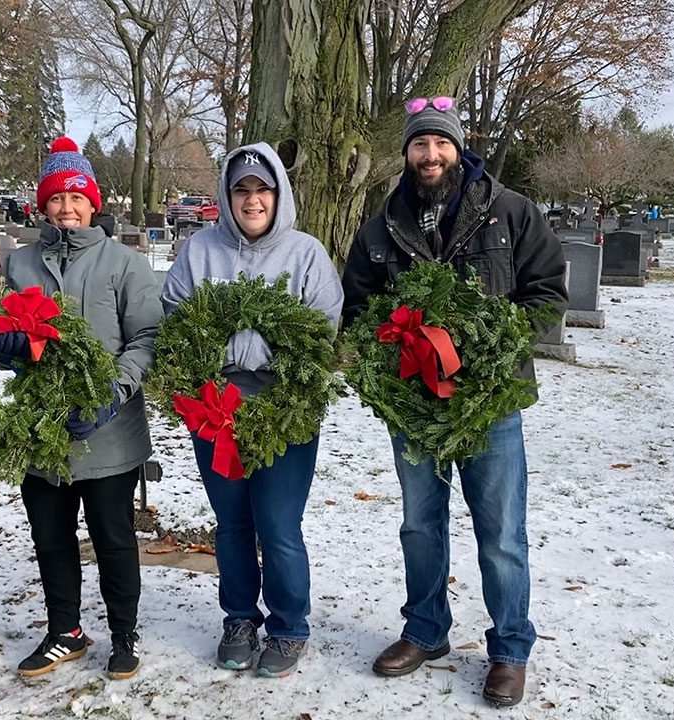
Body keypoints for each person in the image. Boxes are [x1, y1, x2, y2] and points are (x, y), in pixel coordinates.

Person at [341, 96, 568, 707]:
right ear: (408, 153)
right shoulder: (381, 226)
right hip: (414, 407)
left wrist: (487, 348)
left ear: (458, 147)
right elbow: (358, 312)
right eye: (420, 145)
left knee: (500, 532)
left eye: (440, 143)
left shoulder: (510, 213)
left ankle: (510, 648)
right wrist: (394, 357)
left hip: (490, 403)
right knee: (420, 524)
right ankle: (426, 630)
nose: (430, 155)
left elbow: (547, 293)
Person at [161, 144, 343, 679]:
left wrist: (280, 367)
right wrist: (205, 370)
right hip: (217, 404)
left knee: (279, 523)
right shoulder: (199, 251)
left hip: (286, 404)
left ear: (278, 194)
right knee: (233, 521)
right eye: (241, 189)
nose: (252, 199)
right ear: (227, 195)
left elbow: (322, 332)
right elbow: (175, 319)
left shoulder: (307, 255)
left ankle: (289, 625)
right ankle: (239, 618)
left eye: (262, 189)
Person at [0, 137, 162, 681]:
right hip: (42, 429)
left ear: (94, 203)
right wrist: (4, 348)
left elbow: (147, 337)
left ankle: (123, 632)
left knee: (112, 537)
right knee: (50, 533)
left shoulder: (124, 263)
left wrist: (114, 390)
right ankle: (64, 629)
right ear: (43, 206)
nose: (67, 209)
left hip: (109, 431)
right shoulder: (19, 262)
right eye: (56, 199)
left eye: (76, 198)